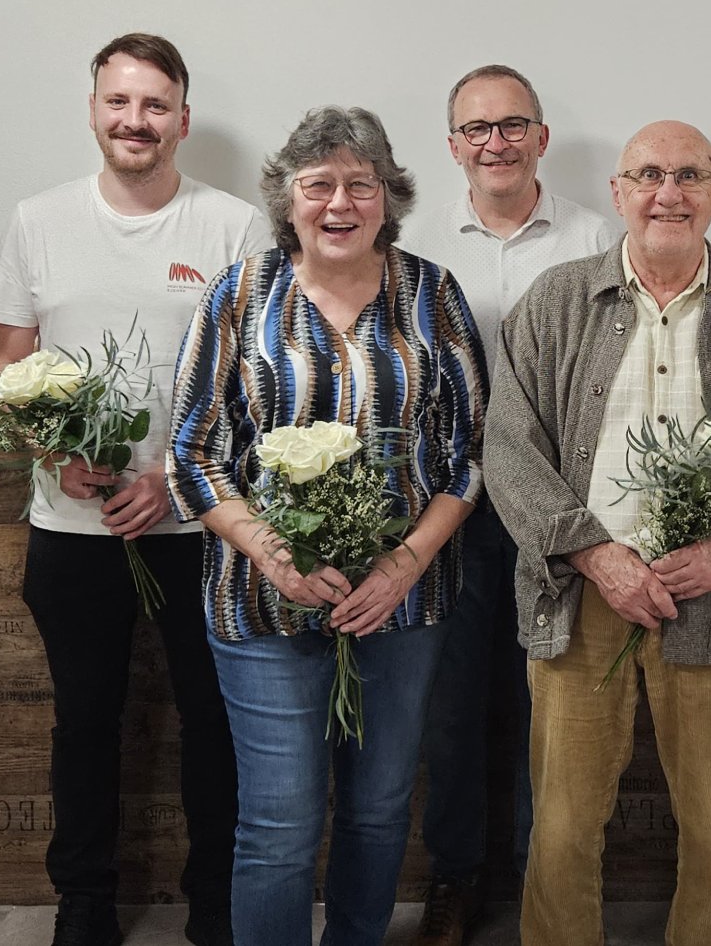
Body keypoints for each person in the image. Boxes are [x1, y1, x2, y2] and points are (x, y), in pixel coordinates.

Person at [486, 120, 711, 946]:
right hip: (580, 595)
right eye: (647, 175)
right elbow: (509, 447)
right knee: (565, 824)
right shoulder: (557, 302)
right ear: (619, 194)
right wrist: (594, 551)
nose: (667, 193)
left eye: (689, 176)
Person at [165, 106, 486, 946]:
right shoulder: (237, 295)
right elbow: (194, 453)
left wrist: (404, 566)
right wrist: (273, 554)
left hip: (403, 607)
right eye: (318, 185)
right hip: (265, 607)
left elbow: (470, 455)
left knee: (380, 813)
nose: (339, 203)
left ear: (388, 197)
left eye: (360, 184)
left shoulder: (434, 294)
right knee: (278, 826)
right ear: (288, 198)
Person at [0, 32, 270, 946]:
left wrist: (173, 480)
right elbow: (4, 362)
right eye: (119, 102)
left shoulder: (234, 225)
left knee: (214, 724)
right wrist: (51, 454)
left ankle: (216, 906)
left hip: (201, 527)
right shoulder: (37, 220)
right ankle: (87, 903)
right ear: (95, 110)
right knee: (85, 722)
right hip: (70, 527)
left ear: (182, 119)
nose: (135, 120)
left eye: (154, 105)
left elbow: (259, 383)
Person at [404, 65, 617, 946]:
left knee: (551, 708)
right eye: (477, 128)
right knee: (450, 706)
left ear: (541, 138)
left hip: (559, 511)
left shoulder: (596, 236)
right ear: (453, 145)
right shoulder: (408, 238)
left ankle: (546, 884)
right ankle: (456, 879)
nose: (495, 142)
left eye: (512, 125)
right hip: (444, 511)